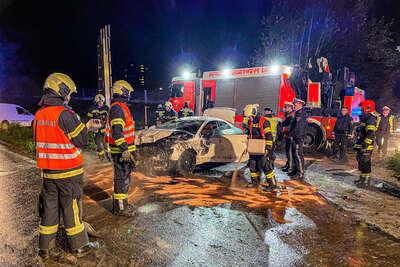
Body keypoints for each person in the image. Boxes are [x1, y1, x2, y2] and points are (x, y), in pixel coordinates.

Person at [34, 73, 91, 259]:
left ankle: (45, 248)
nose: (70, 97)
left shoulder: (39, 114)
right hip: (68, 172)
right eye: (69, 93)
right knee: (71, 208)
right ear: (62, 90)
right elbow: (82, 140)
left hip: (48, 174)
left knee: (49, 209)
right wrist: (84, 125)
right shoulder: (65, 114)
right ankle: (80, 246)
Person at [105, 80, 137, 216]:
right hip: (120, 152)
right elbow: (117, 133)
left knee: (124, 179)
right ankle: (120, 209)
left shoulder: (120, 107)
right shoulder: (118, 108)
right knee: (121, 180)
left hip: (122, 151)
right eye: (128, 92)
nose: (129, 95)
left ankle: (123, 205)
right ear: (123, 92)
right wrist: (125, 151)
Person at [243, 104, 277, 191]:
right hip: (254, 147)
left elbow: (269, 137)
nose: (249, 118)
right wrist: (246, 146)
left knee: (265, 165)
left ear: (254, 113)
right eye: (248, 117)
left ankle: (272, 184)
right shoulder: (250, 122)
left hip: (263, 147)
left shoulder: (263, 121)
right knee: (253, 165)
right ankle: (255, 183)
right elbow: (249, 135)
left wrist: (267, 149)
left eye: (250, 116)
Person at [353, 100, 378, 187]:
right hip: (363, 144)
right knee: (361, 162)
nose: (361, 111)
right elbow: (363, 131)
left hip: (367, 146)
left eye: (362, 109)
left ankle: (366, 182)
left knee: (365, 163)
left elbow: (371, 133)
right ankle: (362, 179)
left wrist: (365, 144)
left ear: (367, 108)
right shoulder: (366, 118)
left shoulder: (370, 119)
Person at [287, 98, 307, 179]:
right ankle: (295, 170)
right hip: (295, 137)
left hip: (298, 137)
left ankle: (300, 173)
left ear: (299, 104)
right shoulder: (297, 113)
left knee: (298, 155)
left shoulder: (301, 114)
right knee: (295, 154)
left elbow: (299, 128)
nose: (294, 105)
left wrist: (292, 134)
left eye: (295, 104)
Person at [87, 94, 110, 161]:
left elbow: (109, 117)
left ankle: (109, 157)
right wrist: (93, 124)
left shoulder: (106, 108)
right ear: (96, 102)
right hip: (96, 131)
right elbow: (89, 119)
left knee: (106, 145)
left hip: (104, 130)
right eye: (98, 102)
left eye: (101, 101)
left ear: (103, 101)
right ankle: (101, 158)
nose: (100, 103)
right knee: (98, 145)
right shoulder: (92, 109)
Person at [281, 102, 295, 172]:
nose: (285, 109)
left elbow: (284, 123)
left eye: (286, 107)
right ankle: (288, 165)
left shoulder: (291, 116)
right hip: (287, 135)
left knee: (289, 152)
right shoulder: (289, 115)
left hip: (290, 136)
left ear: (290, 108)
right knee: (287, 152)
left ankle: (290, 167)